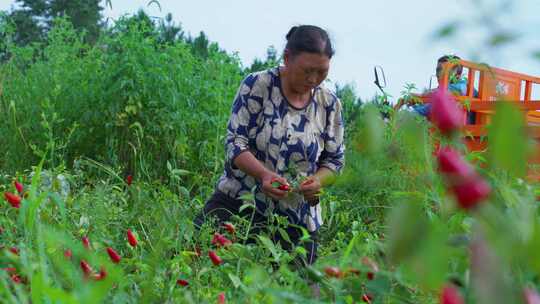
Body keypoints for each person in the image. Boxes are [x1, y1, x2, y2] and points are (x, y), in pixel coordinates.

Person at [194, 25, 345, 269]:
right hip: (239, 204)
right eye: (307, 71)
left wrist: (318, 181)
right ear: (287, 58)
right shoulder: (259, 85)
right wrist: (263, 175)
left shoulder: (329, 104)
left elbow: (334, 161)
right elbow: (235, 142)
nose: (313, 79)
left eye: (322, 72)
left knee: (294, 292)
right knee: (197, 267)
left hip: (296, 221)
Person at [395, 55, 478, 122]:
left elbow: (430, 106)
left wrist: (421, 97)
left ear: (457, 74)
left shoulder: (462, 87)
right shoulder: (456, 88)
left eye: (441, 70)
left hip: (455, 132)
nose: (438, 74)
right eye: (437, 70)